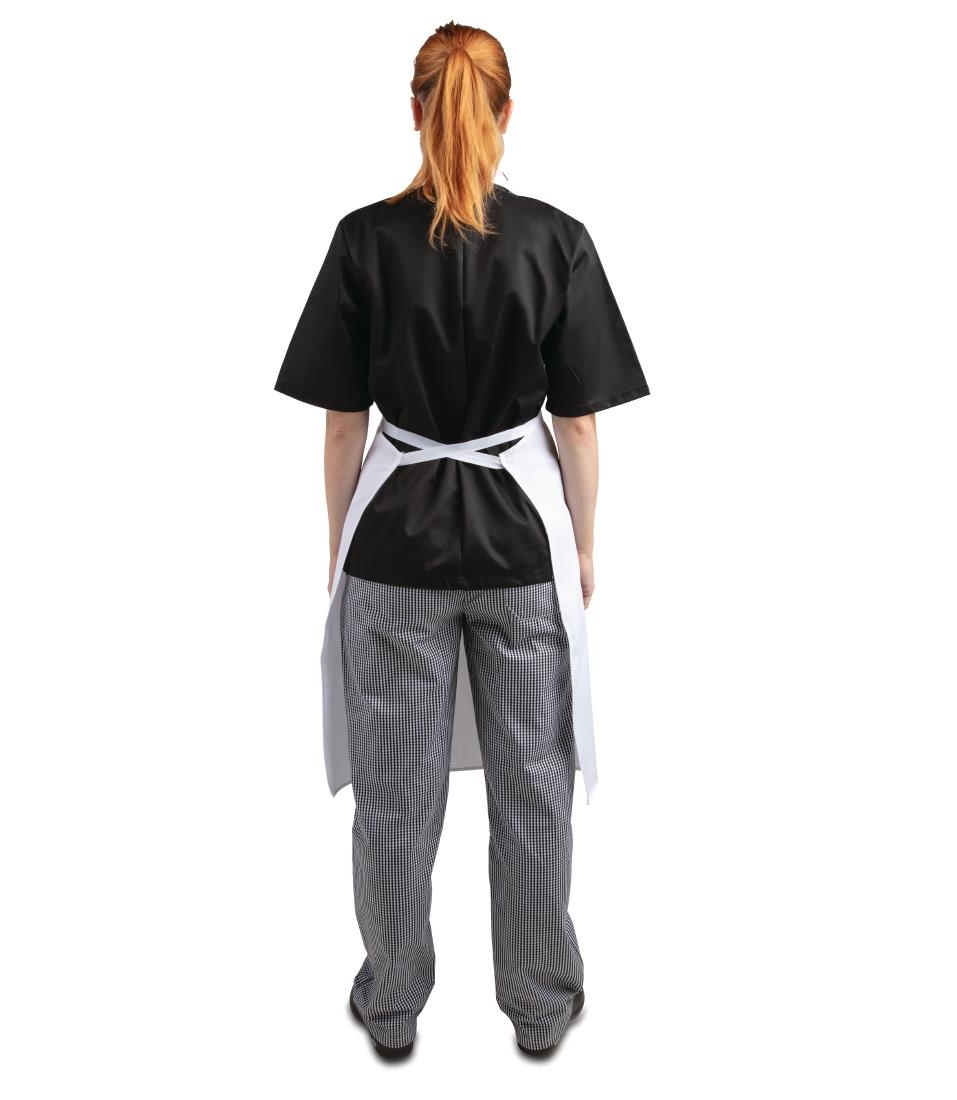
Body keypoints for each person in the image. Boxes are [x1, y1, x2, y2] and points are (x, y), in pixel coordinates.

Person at [273, 20, 650, 1062]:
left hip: (392, 545)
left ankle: (391, 1004)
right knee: (533, 785)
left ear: (413, 111)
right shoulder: (557, 239)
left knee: (395, 793)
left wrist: (339, 544)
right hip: (520, 545)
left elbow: (342, 424)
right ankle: (539, 1003)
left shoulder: (363, 240)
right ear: (507, 111)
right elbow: (578, 424)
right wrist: (582, 545)